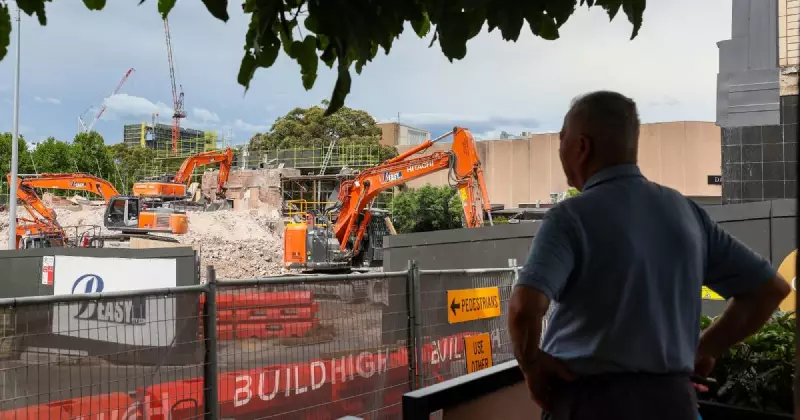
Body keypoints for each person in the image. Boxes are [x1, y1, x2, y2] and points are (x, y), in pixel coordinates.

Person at [507, 90, 790, 420]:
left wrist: (533, 368)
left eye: (562, 141)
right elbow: (769, 290)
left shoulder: (570, 217)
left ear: (581, 147)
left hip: (590, 405)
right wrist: (706, 349)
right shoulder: (687, 213)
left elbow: (524, 308)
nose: (560, 151)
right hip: (675, 405)